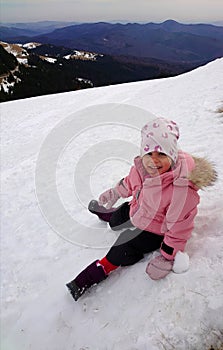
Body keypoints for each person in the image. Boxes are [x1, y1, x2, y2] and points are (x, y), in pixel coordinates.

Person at [66, 117, 217, 301]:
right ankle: (112, 215)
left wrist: (167, 257)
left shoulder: (181, 189)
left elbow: (179, 228)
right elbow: (131, 183)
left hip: (155, 230)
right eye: (149, 154)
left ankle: (98, 270)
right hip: (138, 210)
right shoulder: (142, 168)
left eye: (161, 155)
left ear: (172, 156)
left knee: (125, 243)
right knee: (118, 219)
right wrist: (115, 192)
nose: (153, 161)